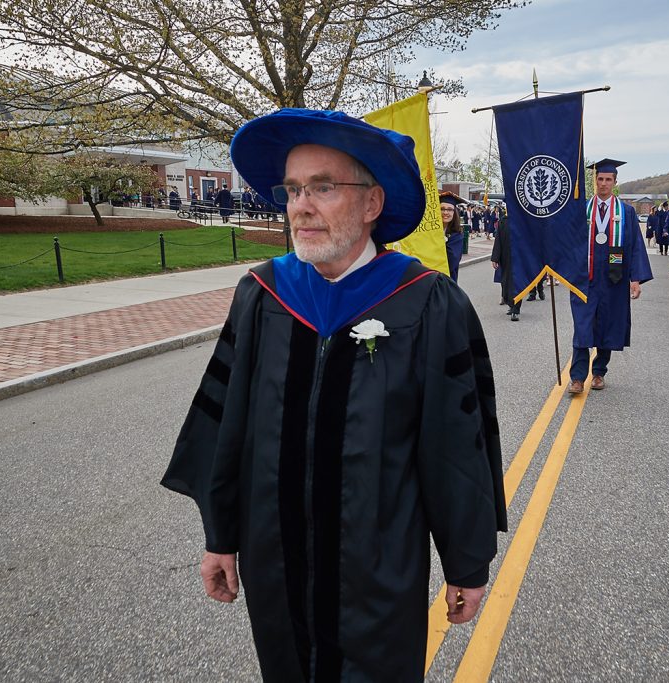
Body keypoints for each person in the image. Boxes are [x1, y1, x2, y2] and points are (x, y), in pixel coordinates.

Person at [160, 108, 507, 682]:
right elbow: (229, 429)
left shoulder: (425, 303)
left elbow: (455, 447)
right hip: (277, 568)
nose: (301, 205)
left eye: (323, 187)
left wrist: (466, 563)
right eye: (293, 189)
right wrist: (220, 536)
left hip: (377, 572)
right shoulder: (262, 295)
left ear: (372, 205)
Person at [568, 158, 652, 394]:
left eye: (608, 179)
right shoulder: (581, 210)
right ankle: (577, 377)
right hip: (585, 279)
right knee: (582, 327)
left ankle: (599, 373)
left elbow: (635, 246)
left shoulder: (626, 212)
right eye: (600, 179)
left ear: (615, 181)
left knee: (607, 326)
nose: (603, 183)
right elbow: (569, 244)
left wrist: (635, 278)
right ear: (594, 181)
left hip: (614, 279)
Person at [490, 209, 524, 321]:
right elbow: (498, 240)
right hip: (505, 257)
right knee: (505, 282)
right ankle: (510, 304)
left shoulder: (522, 220)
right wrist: (495, 258)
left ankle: (516, 308)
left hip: (519, 257)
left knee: (516, 282)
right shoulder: (503, 221)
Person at [439, 191, 465, 282]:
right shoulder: (430, 232)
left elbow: (451, 261)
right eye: (442, 209)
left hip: (447, 281)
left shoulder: (457, 235)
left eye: (449, 209)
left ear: (454, 213)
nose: (445, 212)